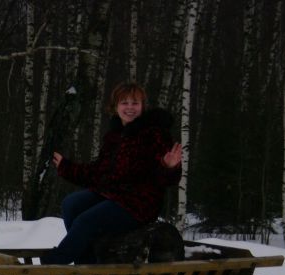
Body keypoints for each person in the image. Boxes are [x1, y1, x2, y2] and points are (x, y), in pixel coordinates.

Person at [40, 82, 183, 265]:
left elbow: (164, 179)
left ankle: (53, 265)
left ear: (142, 106)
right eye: (124, 103)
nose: (130, 108)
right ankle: (87, 262)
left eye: (135, 103)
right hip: (113, 194)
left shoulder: (154, 134)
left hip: (138, 203)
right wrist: (67, 167)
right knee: (72, 203)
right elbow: (99, 172)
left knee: (86, 221)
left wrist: (168, 166)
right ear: (115, 106)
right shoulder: (114, 136)